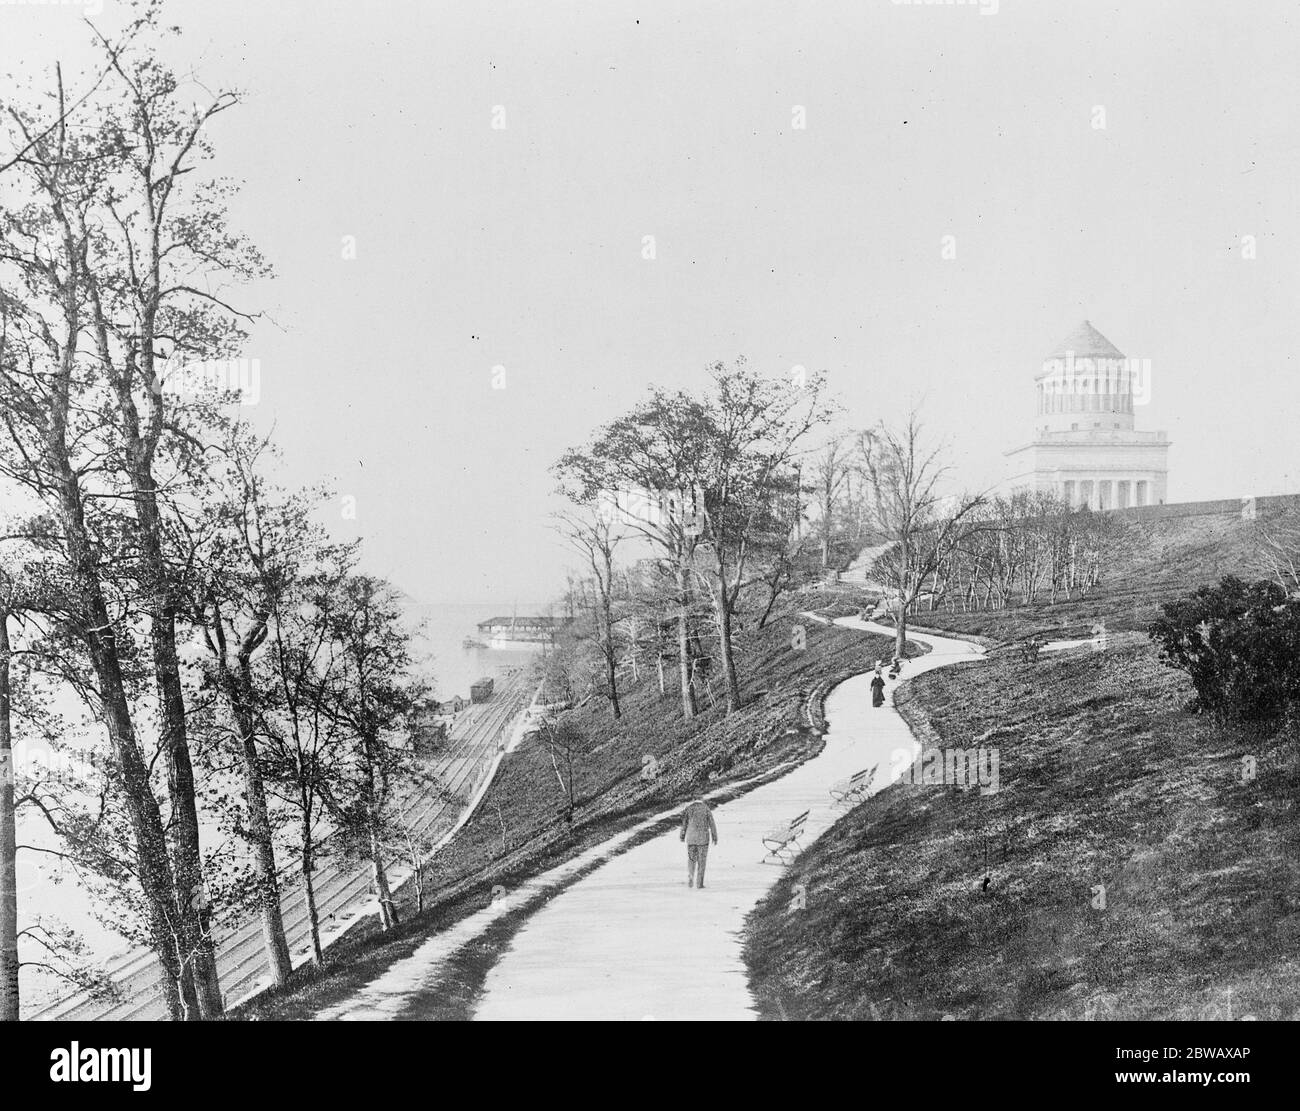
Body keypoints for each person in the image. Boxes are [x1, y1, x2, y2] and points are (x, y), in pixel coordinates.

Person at [679, 797, 718, 888]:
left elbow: (684, 824)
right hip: (703, 839)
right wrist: (714, 836)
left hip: (691, 838)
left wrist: (682, 835)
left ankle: (691, 875)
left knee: (691, 859)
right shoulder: (706, 808)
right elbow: (712, 823)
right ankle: (699, 883)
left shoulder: (689, 808)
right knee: (702, 862)